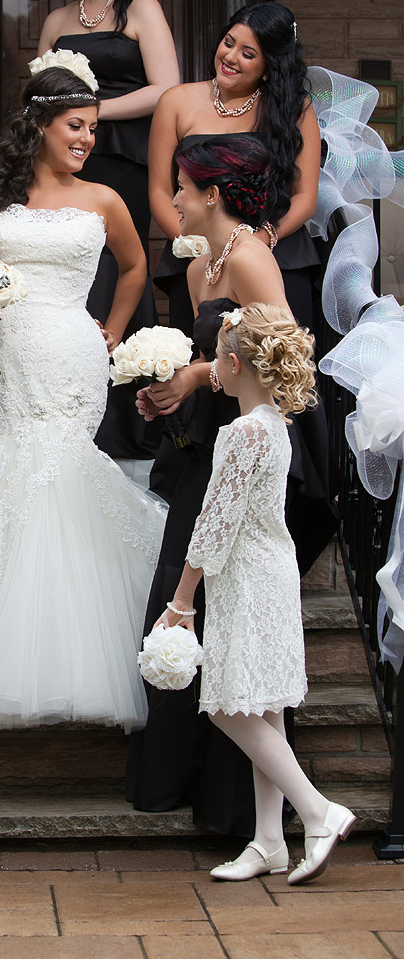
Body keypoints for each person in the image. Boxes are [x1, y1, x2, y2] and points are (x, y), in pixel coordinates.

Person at [0, 68, 167, 731]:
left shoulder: (104, 199)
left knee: (59, 468)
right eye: (77, 126)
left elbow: (134, 267)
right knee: (6, 468)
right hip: (0, 358)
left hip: (69, 350)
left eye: (94, 128)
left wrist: (114, 329)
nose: (88, 139)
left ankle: (69, 648)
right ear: (40, 123)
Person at [126, 135, 331, 832]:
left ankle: (249, 815)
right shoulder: (198, 268)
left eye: (181, 188)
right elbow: (210, 360)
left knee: (216, 607)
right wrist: (169, 390)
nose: (173, 200)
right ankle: (219, 804)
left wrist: (198, 377)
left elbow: (284, 358)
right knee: (184, 594)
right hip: (204, 445)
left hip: (248, 450)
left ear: (210, 194)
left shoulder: (248, 256)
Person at [156, 303, 354, 885]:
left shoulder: (243, 432)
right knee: (263, 703)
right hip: (270, 569)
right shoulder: (272, 422)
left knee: (227, 705)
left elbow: (216, 520)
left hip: (247, 575)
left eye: (215, 357)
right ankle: (269, 840)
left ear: (235, 363)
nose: (211, 367)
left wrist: (182, 598)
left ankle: (317, 811)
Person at [37, 0, 180, 457]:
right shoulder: (56, 20)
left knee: (119, 268)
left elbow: (164, 87)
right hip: (62, 159)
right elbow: (38, 97)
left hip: (120, 158)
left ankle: (125, 420)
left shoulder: (141, 9)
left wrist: (92, 109)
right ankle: (61, 406)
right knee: (66, 271)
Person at [150, 0, 321, 335]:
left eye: (247, 53)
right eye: (228, 43)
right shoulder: (176, 101)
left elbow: (305, 197)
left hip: (276, 252)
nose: (230, 57)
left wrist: (257, 241)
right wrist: (198, 246)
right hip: (200, 259)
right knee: (202, 367)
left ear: (269, 66)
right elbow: (159, 189)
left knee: (276, 361)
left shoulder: (295, 110)